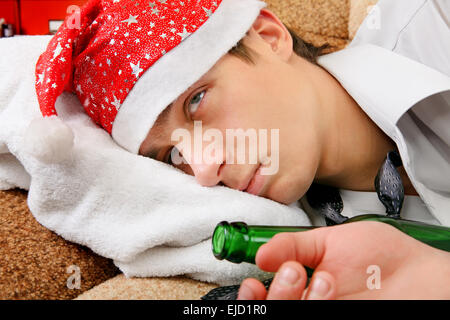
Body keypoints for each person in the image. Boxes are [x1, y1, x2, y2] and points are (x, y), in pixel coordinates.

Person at [32, 0, 449, 298]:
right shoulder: (321, 256)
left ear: (268, 37)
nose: (206, 168)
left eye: (196, 100)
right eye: (172, 156)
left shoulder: (435, 22)